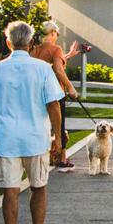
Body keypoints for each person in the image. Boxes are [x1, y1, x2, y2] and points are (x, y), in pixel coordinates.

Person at [0, 20, 66, 224]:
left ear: (8, 42)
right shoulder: (42, 69)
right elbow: (53, 104)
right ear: (31, 42)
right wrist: (58, 137)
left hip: (8, 138)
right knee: (38, 187)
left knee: (10, 191)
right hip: (35, 137)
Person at [28, 21, 78, 170]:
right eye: (56, 33)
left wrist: (67, 56)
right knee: (59, 125)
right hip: (55, 92)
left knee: (41, 124)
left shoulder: (35, 50)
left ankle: (43, 155)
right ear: (52, 33)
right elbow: (58, 69)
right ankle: (61, 158)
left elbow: (49, 63)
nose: (57, 36)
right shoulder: (56, 48)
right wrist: (70, 88)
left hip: (37, 93)